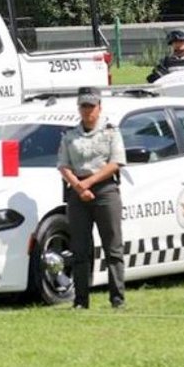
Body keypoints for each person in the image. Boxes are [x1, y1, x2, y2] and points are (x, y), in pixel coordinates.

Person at [56, 87, 126, 310]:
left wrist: (88, 183)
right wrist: (78, 186)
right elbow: (63, 165)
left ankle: (117, 299)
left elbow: (115, 163)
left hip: (105, 190)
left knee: (112, 247)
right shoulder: (70, 135)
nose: (87, 111)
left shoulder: (110, 131)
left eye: (91, 106)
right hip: (78, 193)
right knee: (80, 249)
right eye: (83, 106)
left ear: (99, 107)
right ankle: (80, 300)